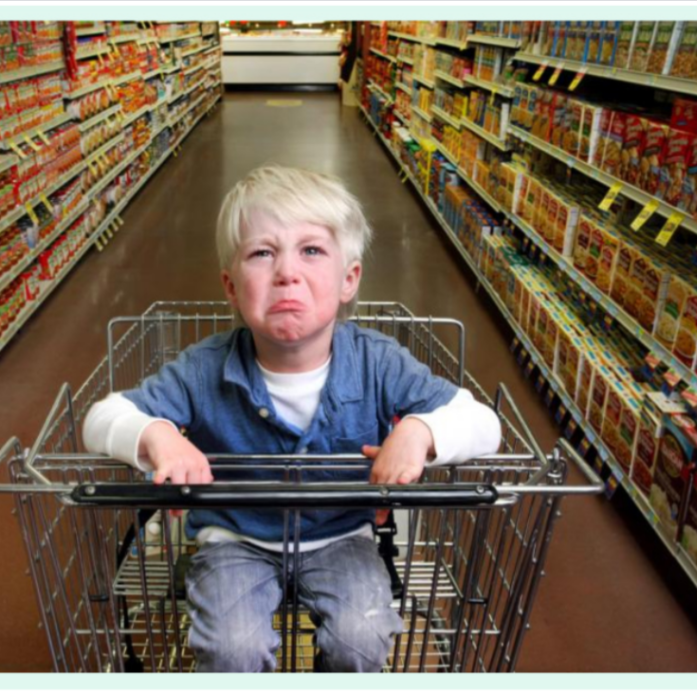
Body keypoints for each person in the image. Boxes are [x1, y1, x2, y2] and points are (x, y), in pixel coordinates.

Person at [82, 165, 502, 672]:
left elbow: (483, 422)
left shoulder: (378, 362)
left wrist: (420, 430)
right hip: (233, 538)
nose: (286, 271)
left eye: (312, 250)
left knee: (362, 637)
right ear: (231, 286)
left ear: (349, 280)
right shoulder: (202, 368)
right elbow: (102, 417)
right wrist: (156, 434)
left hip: (343, 535)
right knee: (230, 649)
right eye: (262, 252)